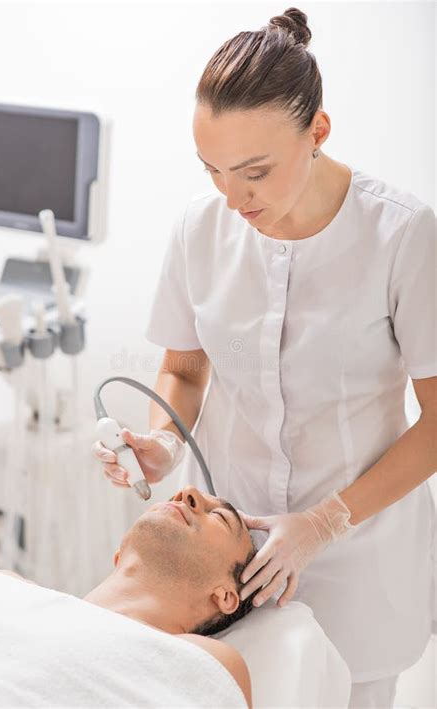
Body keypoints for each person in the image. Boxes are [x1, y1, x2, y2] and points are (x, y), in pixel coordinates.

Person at [94, 7, 436, 708]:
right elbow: (185, 372)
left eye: (254, 171)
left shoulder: (404, 238)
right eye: (214, 169)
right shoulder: (200, 227)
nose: (233, 196)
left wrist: (323, 521)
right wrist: (164, 440)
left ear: (318, 131)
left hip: (357, 559)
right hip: (222, 571)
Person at [0, 487, 259, 708]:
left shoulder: (209, 660)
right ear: (120, 555)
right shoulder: (1, 587)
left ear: (226, 596)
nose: (187, 493)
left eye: (219, 516)